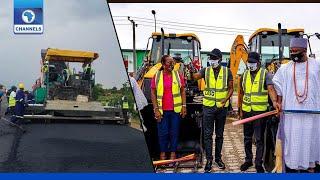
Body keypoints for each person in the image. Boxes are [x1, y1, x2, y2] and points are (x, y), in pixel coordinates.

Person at [273, 38, 320, 173]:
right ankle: (293, 167)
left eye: (296, 52)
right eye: (292, 51)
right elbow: (277, 86)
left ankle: (311, 166)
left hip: (312, 114)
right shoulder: (285, 68)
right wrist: (278, 103)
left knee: (310, 139)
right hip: (291, 115)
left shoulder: (316, 66)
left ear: (305, 51)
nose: (293, 54)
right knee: (293, 141)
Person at [192, 48, 233, 172]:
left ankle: (218, 159)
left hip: (222, 108)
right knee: (208, 134)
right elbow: (195, 77)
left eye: (214, 58)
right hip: (208, 107)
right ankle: (209, 159)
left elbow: (231, 88)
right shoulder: (206, 70)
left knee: (219, 134)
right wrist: (191, 70)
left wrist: (225, 100)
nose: (212, 60)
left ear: (220, 59)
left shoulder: (227, 71)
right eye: (210, 58)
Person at [238, 52, 279, 173]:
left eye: (253, 62)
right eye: (249, 62)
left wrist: (275, 102)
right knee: (247, 138)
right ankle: (248, 160)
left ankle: (258, 163)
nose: (250, 65)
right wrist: (240, 110)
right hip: (247, 111)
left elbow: (271, 89)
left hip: (259, 113)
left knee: (259, 139)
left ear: (258, 63)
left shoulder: (265, 74)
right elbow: (241, 93)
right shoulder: (244, 75)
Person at [151, 55, 187, 160]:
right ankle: (163, 153)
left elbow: (182, 90)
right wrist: (156, 109)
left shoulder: (177, 75)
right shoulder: (157, 76)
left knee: (174, 132)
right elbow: (153, 93)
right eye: (169, 62)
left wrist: (184, 106)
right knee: (163, 133)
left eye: (173, 62)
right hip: (162, 111)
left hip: (175, 110)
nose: (172, 64)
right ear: (163, 64)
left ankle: (173, 153)